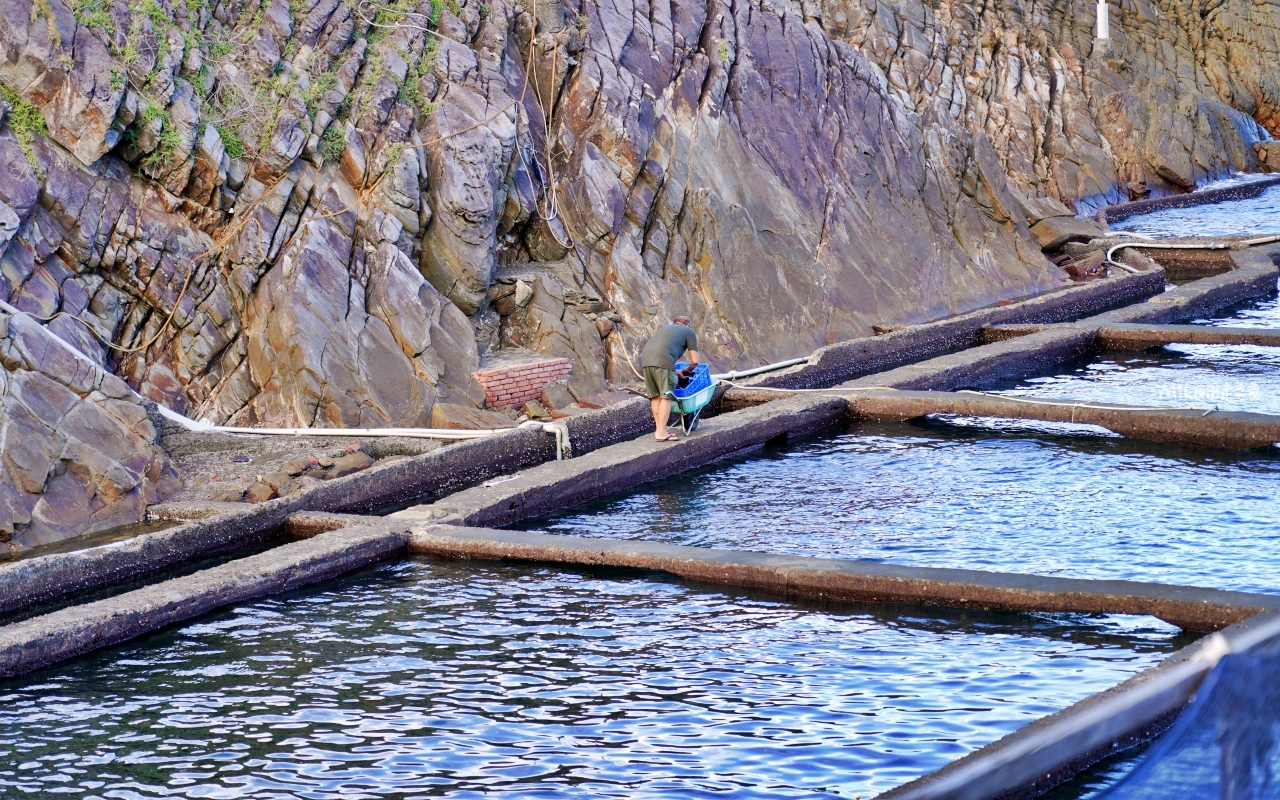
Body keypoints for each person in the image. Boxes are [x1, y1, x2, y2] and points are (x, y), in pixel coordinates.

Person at [641, 316, 699, 441]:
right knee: (666, 396)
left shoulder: (665, 329)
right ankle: (661, 432)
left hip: (646, 359)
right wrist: (686, 371)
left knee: (655, 396)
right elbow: (695, 362)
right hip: (663, 361)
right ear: (688, 325)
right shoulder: (689, 332)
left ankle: (660, 430)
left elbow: (662, 349)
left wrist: (676, 372)